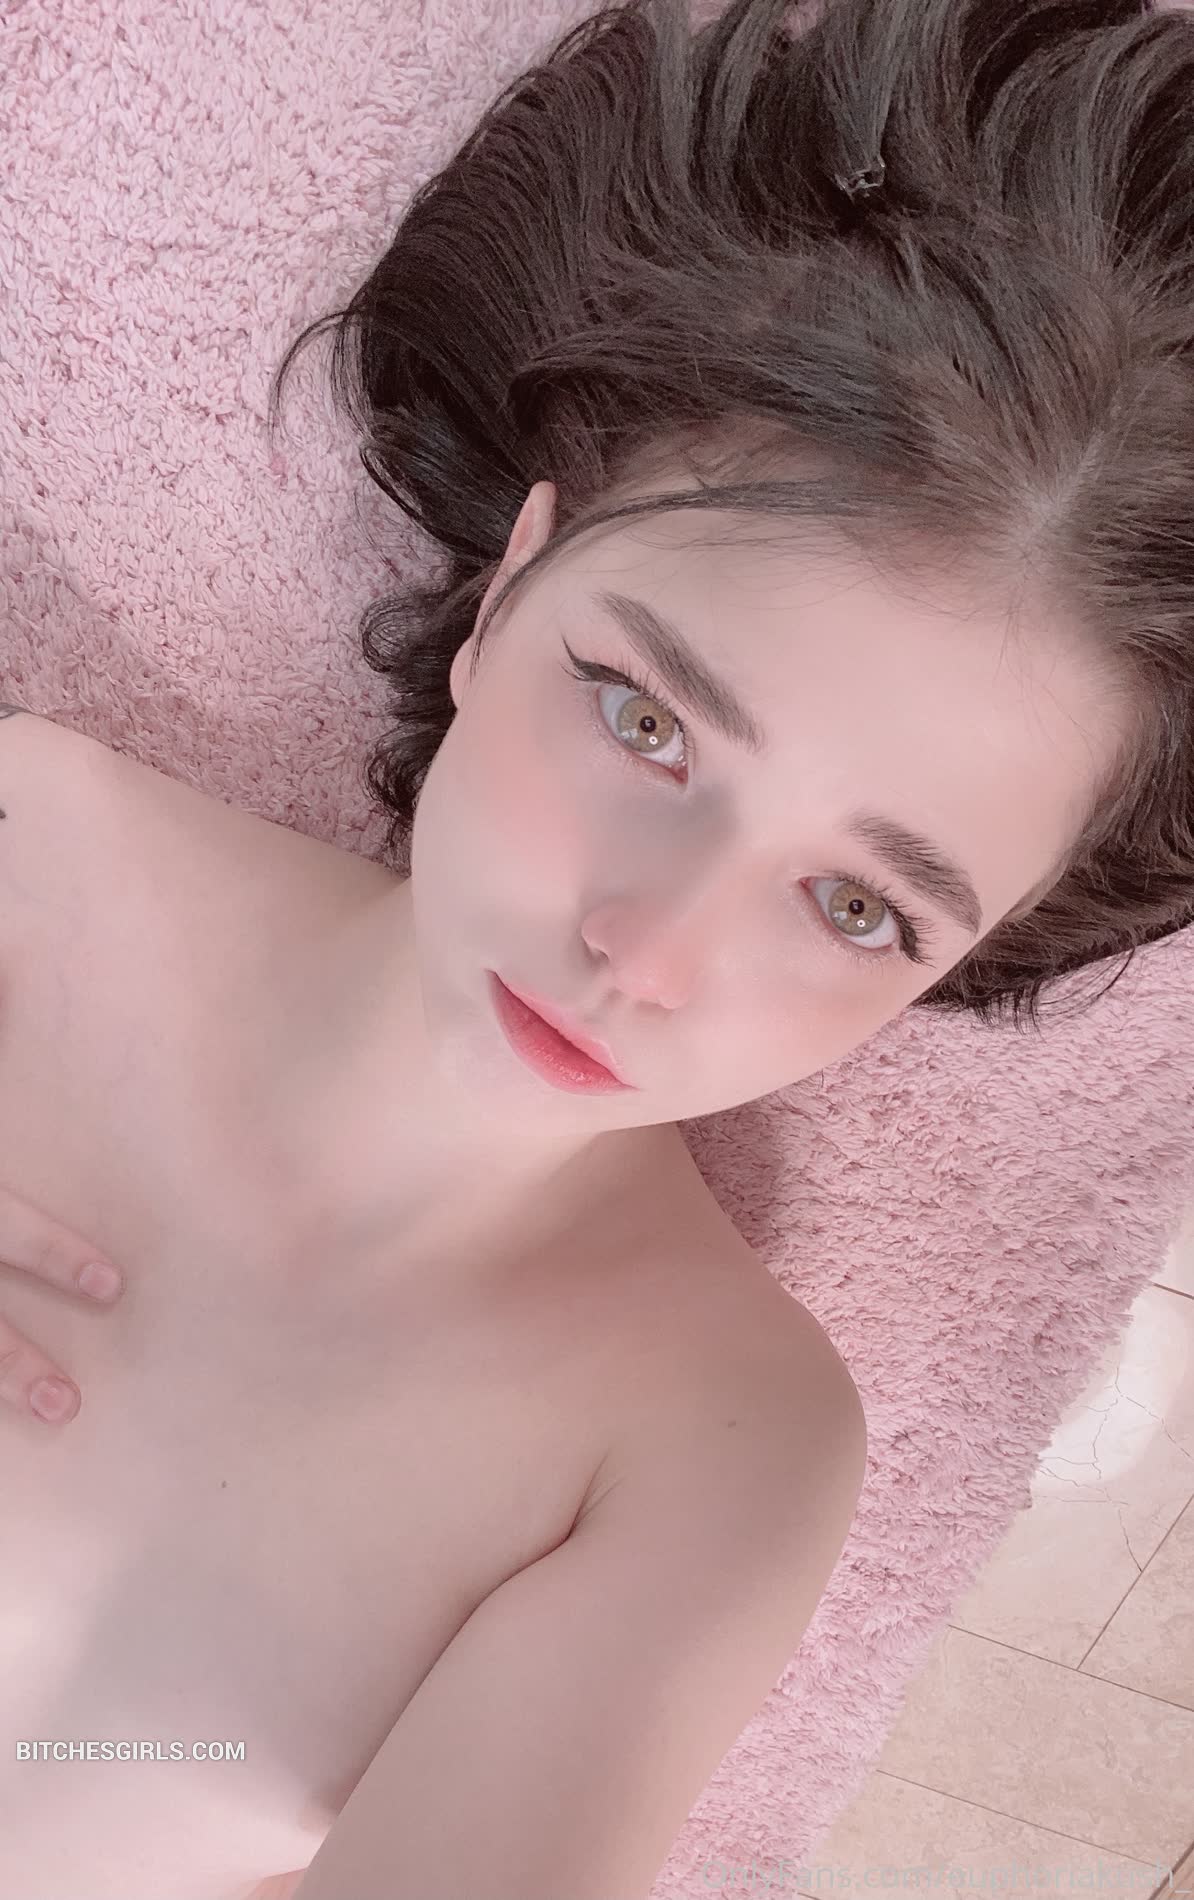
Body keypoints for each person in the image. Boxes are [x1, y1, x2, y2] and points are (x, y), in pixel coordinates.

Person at [3, 0, 1194, 1893]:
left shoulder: (706, 1443)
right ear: (509, 586)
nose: (643, 950)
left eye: (858, 905)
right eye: (646, 721)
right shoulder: (23, 844)